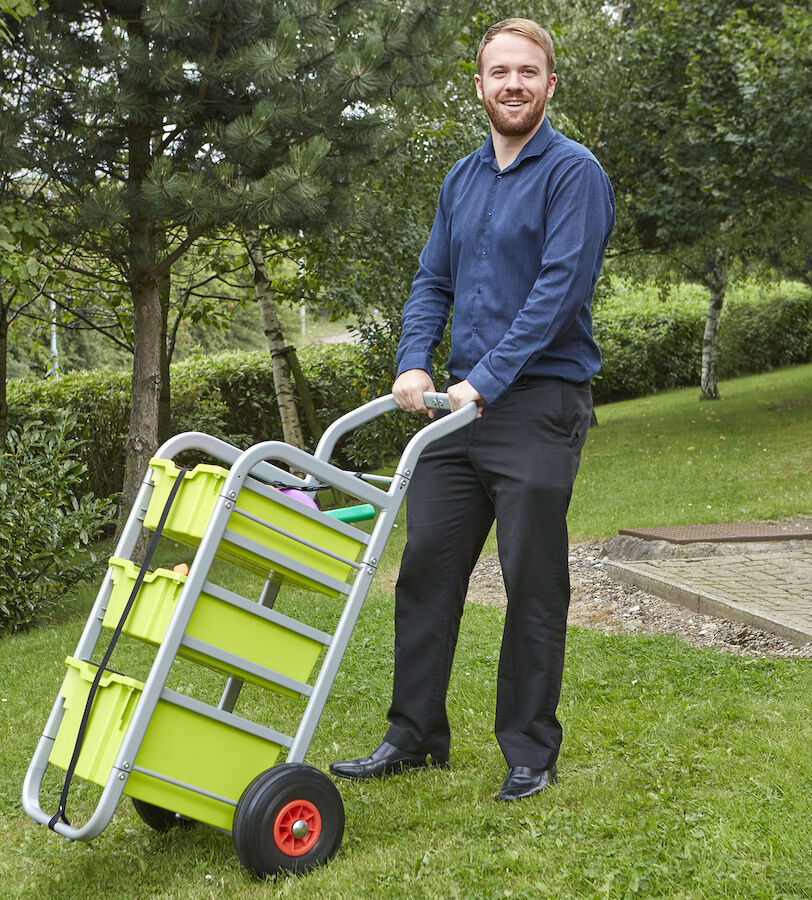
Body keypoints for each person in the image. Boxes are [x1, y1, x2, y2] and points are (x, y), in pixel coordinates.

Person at [330, 17, 615, 801]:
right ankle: (414, 735)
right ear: (479, 85)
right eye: (500, 72)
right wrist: (412, 360)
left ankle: (529, 749)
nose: (514, 84)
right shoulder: (461, 180)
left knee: (532, 581)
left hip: (537, 405)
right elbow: (432, 281)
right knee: (425, 572)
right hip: (455, 416)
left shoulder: (573, 173)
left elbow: (559, 293)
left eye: (529, 71)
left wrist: (483, 380)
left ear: (550, 85)